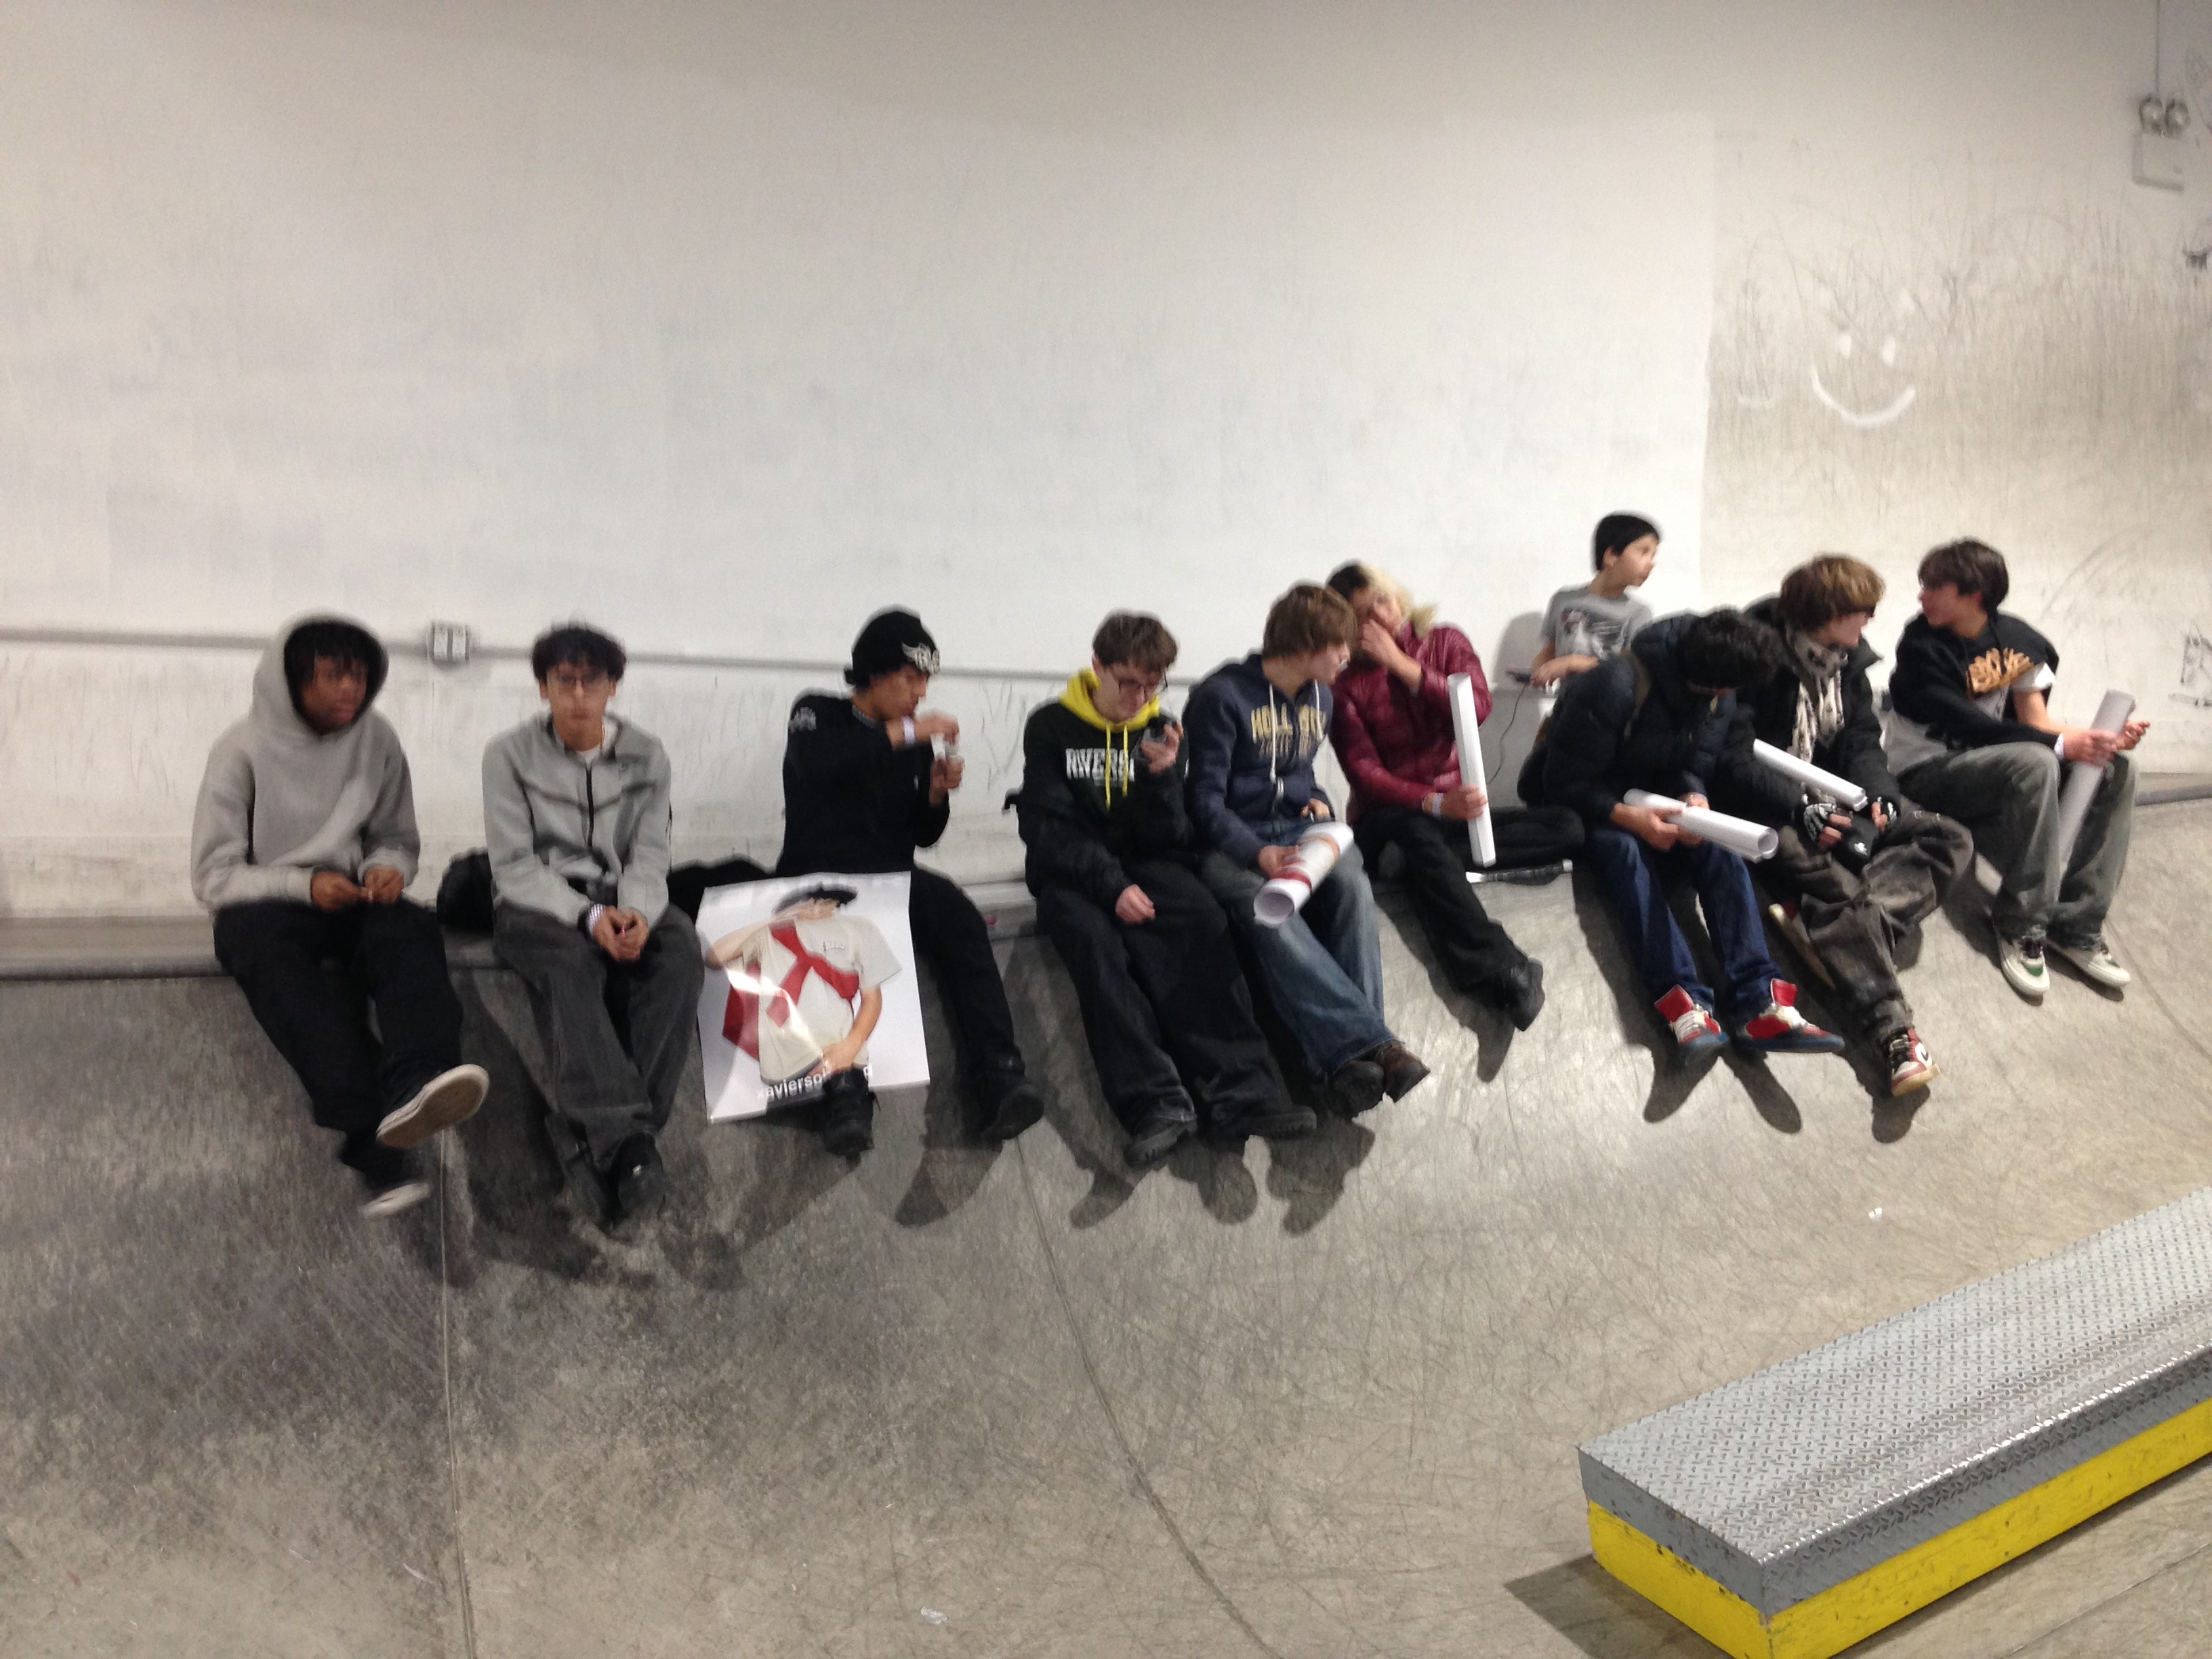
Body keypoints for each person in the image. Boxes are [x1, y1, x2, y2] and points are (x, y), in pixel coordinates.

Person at [192, 617, 486, 1216]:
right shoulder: (238, 751)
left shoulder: (378, 740)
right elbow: (214, 876)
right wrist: (302, 885)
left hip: (351, 895)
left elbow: (396, 838)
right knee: (267, 957)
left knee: (409, 928)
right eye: (333, 675)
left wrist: (387, 868)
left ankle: (420, 1079)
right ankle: (369, 1132)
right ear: (293, 680)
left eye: (360, 675)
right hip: (267, 903)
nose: (351, 688)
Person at [1015, 612, 1311, 1166]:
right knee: (1096, 943)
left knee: (1202, 919)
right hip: (1074, 868)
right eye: (1128, 682)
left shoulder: (1163, 728)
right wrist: (1112, 886)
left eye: (1152, 685)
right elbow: (1048, 828)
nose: (1139, 698)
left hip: (1145, 861)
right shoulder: (1052, 725)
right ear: (1098, 666)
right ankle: (1156, 1102)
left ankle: (1243, 1091)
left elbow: (1171, 837)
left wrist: (1162, 779)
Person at [779, 608, 1046, 1156]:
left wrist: (936, 795)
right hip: (817, 875)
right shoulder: (817, 713)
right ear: (875, 673)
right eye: (910, 677)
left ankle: (999, 1073)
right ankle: (843, 1096)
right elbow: (819, 765)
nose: (920, 693)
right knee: (831, 951)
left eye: (925, 681)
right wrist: (906, 733)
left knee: (960, 918)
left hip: (889, 874)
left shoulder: (913, 742)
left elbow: (922, 835)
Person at [1525, 608, 1846, 1061]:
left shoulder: (1719, 698)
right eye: (1726, 691)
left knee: (1720, 849)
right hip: (1591, 804)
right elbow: (1561, 782)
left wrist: (1694, 799)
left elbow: (1696, 764)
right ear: (1713, 681)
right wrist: (1629, 817)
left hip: (1657, 799)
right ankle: (1682, 1003)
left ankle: (1760, 1001)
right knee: (1626, 854)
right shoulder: (1613, 684)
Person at [1708, 557, 1973, 1094]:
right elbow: (1732, 758)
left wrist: (1881, 793)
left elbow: (1860, 739)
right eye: (1862, 611)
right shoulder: (1755, 653)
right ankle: (1893, 1033)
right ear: (1828, 614)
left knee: (1947, 836)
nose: (1870, 620)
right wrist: (1798, 808)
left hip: (1835, 796)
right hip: (1765, 807)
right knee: (1837, 884)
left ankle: (1840, 932)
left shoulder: (1844, 660)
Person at [483, 623, 703, 1225]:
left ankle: (616, 1142)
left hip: (621, 894)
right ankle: (629, 1146)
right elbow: (514, 865)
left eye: (592, 681)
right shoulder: (508, 756)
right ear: (543, 688)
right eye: (565, 681)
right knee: (571, 962)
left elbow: (650, 855)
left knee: (680, 952)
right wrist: (588, 915)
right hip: (537, 902)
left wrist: (636, 912)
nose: (578, 695)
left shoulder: (647, 756)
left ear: (613, 686)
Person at [1184, 583, 1431, 1114]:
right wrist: (1258, 853)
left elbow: (1299, 775)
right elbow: (1203, 802)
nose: (1347, 655)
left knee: (1352, 885)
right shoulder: (1221, 697)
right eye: (1338, 645)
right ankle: (1377, 1046)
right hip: (1232, 842)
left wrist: (1317, 800)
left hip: (1295, 830)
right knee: (1268, 911)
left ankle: (1351, 1061)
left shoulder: (1321, 697)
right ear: (1302, 645)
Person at [1883, 539, 2147, 1000]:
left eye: (1934, 587)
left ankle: (2077, 924)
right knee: (2036, 759)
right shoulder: (1921, 646)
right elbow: (1971, 726)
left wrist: (2101, 741)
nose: (1921, 596)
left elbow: (2036, 723)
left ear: (1974, 595)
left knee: (2117, 770)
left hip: (1998, 766)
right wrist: (2063, 745)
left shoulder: (2018, 642)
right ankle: (2021, 923)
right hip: (1926, 774)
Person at [1322, 562, 1577, 1029]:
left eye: (1381, 602)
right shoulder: (1344, 685)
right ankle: (1503, 972)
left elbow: (1477, 706)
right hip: (1391, 815)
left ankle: (1422, 862)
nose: (1378, 619)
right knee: (1415, 833)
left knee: (1568, 827)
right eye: (1361, 617)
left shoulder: (1443, 642)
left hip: (1455, 815)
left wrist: (1403, 666)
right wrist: (1433, 802)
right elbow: (1365, 773)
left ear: (1397, 595)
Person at [707, 884, 899, 1135]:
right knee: (783, 1141)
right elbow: (715, 957)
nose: (815, 904)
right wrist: (778, 918)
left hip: (841, 1056)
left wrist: (849, 1048)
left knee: (850, 1125)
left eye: (824, 898)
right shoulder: (769, 932)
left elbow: (872, 998)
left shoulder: (859, 928)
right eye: (810, 898)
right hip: (785, 1067)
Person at [1529, 512, 1660, 687]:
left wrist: (1571, 663)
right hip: (1567, 701)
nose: (1651, 563)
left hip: (1612, 702)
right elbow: (1549, 651)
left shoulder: (1639, 613)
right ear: (1611, 556)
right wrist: (1537, 672)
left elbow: (1630, 669)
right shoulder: (1563, 600)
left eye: (1653, 555)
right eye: (1644, 552)